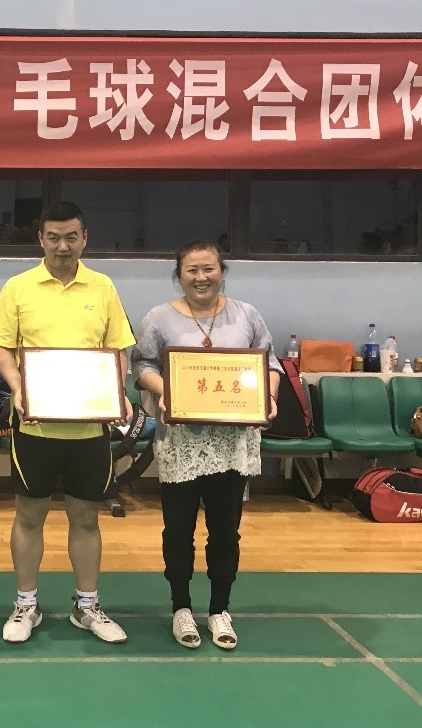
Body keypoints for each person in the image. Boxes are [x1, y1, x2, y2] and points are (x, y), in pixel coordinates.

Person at [0, 201, 136, 645]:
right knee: (29, 515)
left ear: (84, 239)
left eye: (71, 237)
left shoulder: (103, 286)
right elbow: (2, 348)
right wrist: (18, 387)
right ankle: (26, 605)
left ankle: (86, 606)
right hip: (34, 426)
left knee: (86, 518)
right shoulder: (18, 287)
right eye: (53, 237)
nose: (62, 246)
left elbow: (118, 349)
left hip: (89, 429)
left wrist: (116, 392)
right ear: (41, 239)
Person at [130, 240, 280, 651]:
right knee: (178, 531)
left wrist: (268, 396)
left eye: (209, 269)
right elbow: (141, 364)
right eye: (192, 270)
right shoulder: (158, 318)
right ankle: (180, 607)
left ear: (222, 272)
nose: (201, 277)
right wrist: (166, 390)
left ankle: (219, 609)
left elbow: (269, 363)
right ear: (179, 275)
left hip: (231, 442)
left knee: (225, 532)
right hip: (181, 442)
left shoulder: (247, 314)